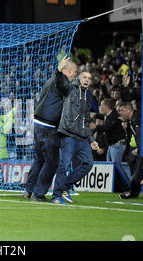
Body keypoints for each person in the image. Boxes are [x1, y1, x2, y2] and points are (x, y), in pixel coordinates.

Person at [22, 56, 74, 202]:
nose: (75, 75)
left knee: (39, 159)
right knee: (52, 162)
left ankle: (29, 190)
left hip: (38, 123)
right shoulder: (59, 80)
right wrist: (59, 71)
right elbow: (64, 85)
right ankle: (38, 194)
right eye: (74, 72)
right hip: (48, 126)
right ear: (68, 71)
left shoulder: (51, 80)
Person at [51, 68, 99, 205]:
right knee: (64, 165)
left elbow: (86, 121)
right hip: (69, 135)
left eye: (89, 78)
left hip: (83, 138)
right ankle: (56, 196)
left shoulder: (88, 98)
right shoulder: (70, 89)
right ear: (79, 78)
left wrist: (91, 140)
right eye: (85, 77)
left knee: (88, 163)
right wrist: (59, 71)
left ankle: (65, 186)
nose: (87, 80)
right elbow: (61, 84)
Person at [96, 98, 127, 177]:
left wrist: (95, 127)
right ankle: (115, 187)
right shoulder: (109, 115)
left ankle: (128, 186)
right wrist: (94, 115)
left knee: (117, 168)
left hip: (117, 145)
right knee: (109, 168)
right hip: (112, 145)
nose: (100, 107)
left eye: (101, 105)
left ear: (106, 107)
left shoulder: (114, 115)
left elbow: (108, 128)